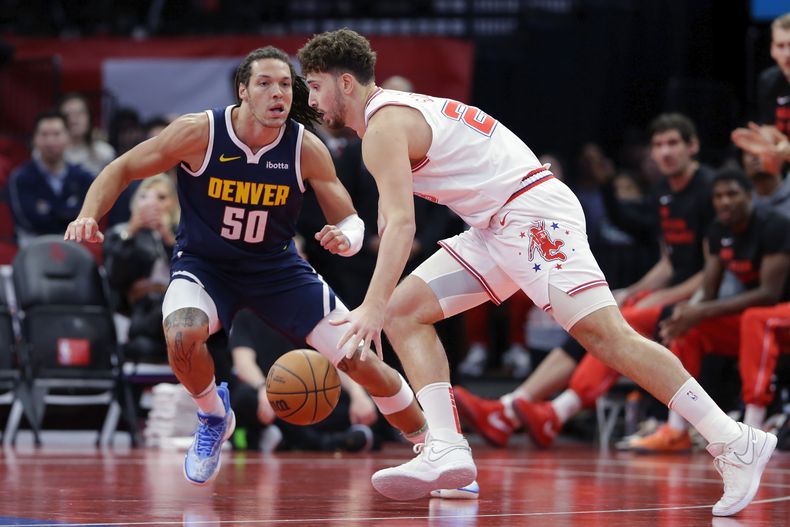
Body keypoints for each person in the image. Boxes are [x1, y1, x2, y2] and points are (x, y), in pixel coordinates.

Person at [297, 28, 777, 515]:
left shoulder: (381, 130)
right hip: (495, 223)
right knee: (406, 313)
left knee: (607, 336)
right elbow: (393, 222)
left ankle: (733, 440)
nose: (311, 98)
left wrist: (369, 309)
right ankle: (447, 452)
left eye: (315, 86)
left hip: (528, 215)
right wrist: (380, 301)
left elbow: (400, 225)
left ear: (346, 84)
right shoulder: (395, 112)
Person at [64, 46, 430, 487]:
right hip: (206, 265)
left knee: (360, 362)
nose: (278, 93)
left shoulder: (304, 146)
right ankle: (214, 417)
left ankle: (434, 445)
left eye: (284, 85)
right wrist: (89, 213)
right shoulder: (200, 133)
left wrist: (348, 238)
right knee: (181, 333)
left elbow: (348, 216)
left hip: (276, 268)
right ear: (243, 90)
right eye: (265, 83)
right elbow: (122, 168)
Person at [451, 114, 714, 448]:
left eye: (673, 143)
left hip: (705, 299)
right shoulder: (664, 192)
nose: (665, 152)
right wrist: (632, 292)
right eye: (659, 144)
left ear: (693, 146)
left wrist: (655, 299)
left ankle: (556, 413)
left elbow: (712, 271)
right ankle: (509, 408)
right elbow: (668, 261)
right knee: (590, 319)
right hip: (672, 293)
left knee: (621, 324)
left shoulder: (708, 188)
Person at [634, 168, 790, 450]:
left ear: (750, 196)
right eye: (718, 196)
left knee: (756, 319)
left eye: (732, 194)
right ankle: (676, 429)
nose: (724, 201)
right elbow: (709, 292)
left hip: (779, 311)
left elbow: (769, 294)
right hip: (758, 320)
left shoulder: (774, 225)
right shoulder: (718, 230)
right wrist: (689, 312)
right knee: (688, 326)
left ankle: (752, 433)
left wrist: (702, 311)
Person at [103, 174, 179, 363]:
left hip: (175, 308)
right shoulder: (119, 235)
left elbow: (191, 272)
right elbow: (116, 278)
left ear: (174, 202)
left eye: (161, 198)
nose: (153, 204)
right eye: (144, 197)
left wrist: (167, 237)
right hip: (138, 311)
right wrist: (131, 232)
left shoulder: (185, 235)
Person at [8, 110, 94, 247]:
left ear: (67, 136)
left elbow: (89, 216)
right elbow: (28, 220)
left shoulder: (83, 177)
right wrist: (66, 213)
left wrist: (50, 211)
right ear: (35, 138)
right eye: (44, 135)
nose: (50, 141)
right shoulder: (20, 177)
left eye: (56, 134)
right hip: (32, 247)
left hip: (75, 248)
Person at [59, 93, 116, 177]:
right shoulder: (51, 153)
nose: (74, 118)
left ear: (89, 117)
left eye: (80, 113)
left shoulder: (104, 152)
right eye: (68, 114)